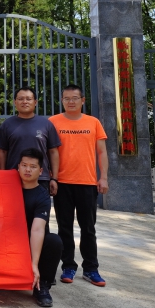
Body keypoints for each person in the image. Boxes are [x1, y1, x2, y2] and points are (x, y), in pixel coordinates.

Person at [49, 85, 109, 287]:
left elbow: (102, 152)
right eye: (67, 98)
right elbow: (48, 151)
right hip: (62, 183)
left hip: (87, 182)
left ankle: (91, 269)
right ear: (62, 100)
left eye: (75, 98)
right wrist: (52, 178)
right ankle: (68, 266)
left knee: (88, 228)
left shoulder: (93, 122)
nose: (71, 101)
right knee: (64, 228)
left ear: (83, 100)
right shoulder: (53, 122)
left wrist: (104, 177)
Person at [18, 148, 63, 307]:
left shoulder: (42, 196)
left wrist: (34, 265)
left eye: (33, 166)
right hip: (10, 240)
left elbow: (37, 230)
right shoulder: (8, 186)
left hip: (31, 241)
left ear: (41, 171)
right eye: (24, 165)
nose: (28, 170)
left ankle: (42, 285)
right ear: (18, 167)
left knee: (54, 241)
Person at [0, 86, 61, 194]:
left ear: (35, 102)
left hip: (40, 178)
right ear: (15, 102)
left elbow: (53, 152)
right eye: (21, 99)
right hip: (13, 178)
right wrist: (3, 175)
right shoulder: (7, 124)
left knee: (39, 205)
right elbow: (2, 152)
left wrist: (54, 178)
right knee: (14, 205)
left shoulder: (46, 124)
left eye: (28, 99)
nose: (24, 102)